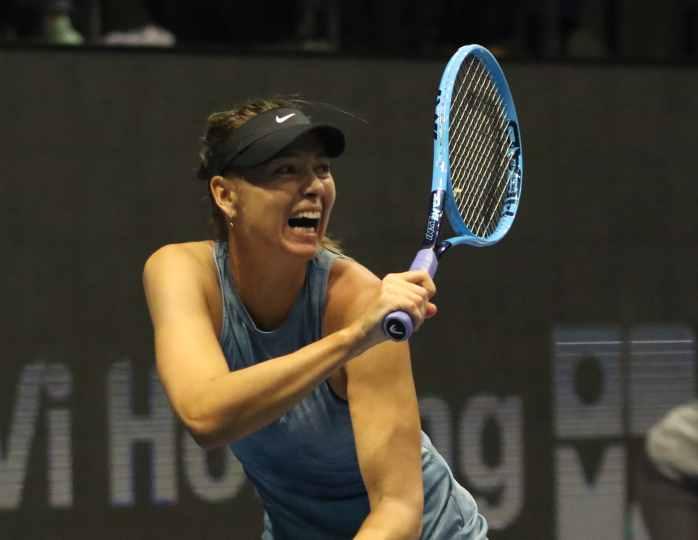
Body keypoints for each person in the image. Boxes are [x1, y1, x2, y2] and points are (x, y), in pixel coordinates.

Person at [143, 97, 488, 539]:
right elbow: (205, 415)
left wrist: (362, 329)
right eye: (285, 170)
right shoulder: (182, 272)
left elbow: (398, 508)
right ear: (225, 195)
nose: (313, 186)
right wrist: (355, 338)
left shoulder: (362, 300)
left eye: (321, 169)